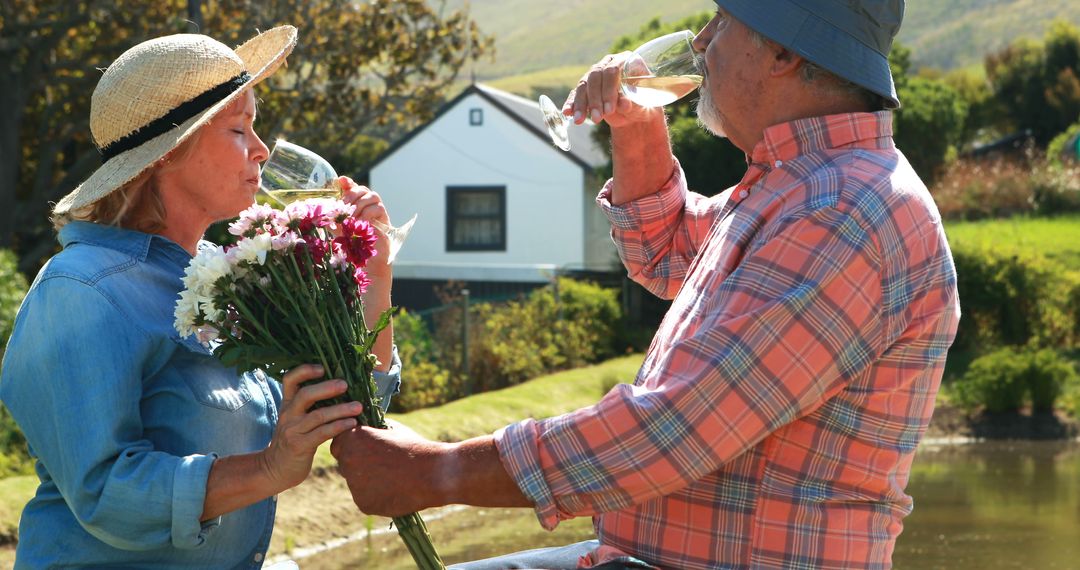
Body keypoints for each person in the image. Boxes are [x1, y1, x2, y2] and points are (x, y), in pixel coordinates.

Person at [331, 0, 960, 568]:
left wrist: (436, 474)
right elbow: (665, 253)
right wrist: (635, 127)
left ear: (784, 55)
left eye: (722, 23)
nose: (702, 42)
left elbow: (676, 432)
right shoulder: (802, 186)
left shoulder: (842, 210)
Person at [0, 26, 401, 568]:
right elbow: (105, 492)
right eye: (240, 129)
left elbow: (350, 403)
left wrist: (374, 277)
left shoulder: (220, 278)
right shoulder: (81, 290)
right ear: (167, 153)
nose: (261, 150)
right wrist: (267, 468)